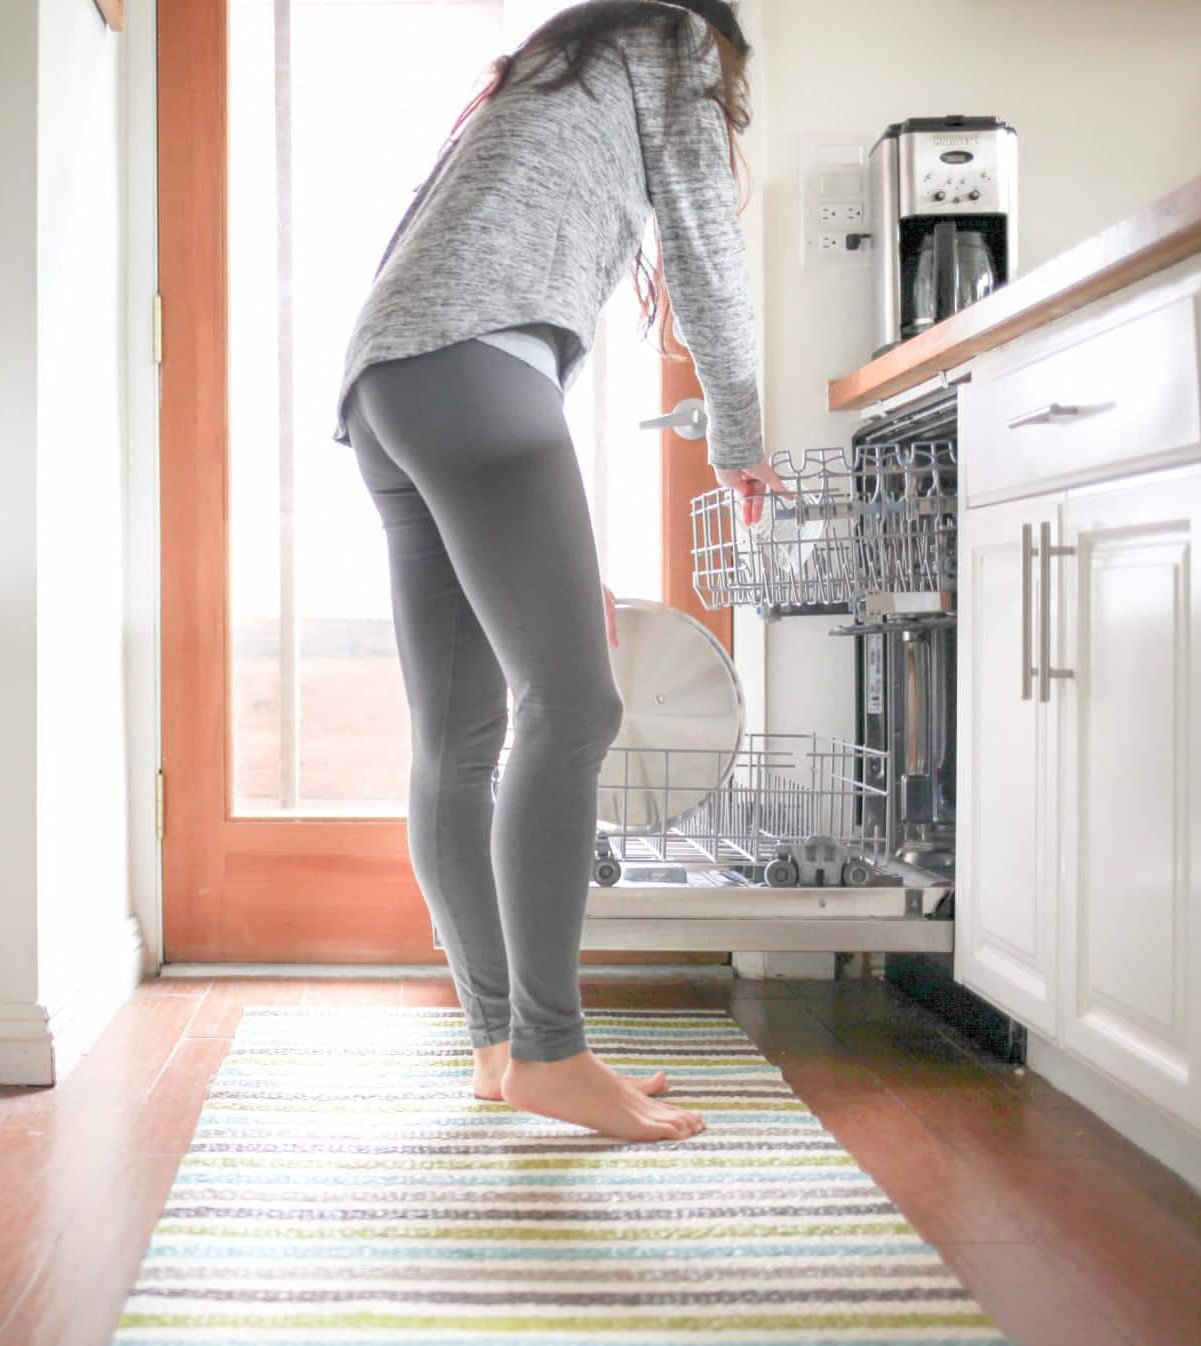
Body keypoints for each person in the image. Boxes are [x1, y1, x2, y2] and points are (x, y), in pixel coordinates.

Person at [333, 0, 785, 1143]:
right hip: (475, 372)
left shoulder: (543, 66)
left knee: (460, 736)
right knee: (576, 706)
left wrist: (531, 539)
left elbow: (433, 250)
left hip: (392, 383)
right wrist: (739, 437)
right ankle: (549, 1048)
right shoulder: (673, 38)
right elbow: (703, 246)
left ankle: (500, 1044)